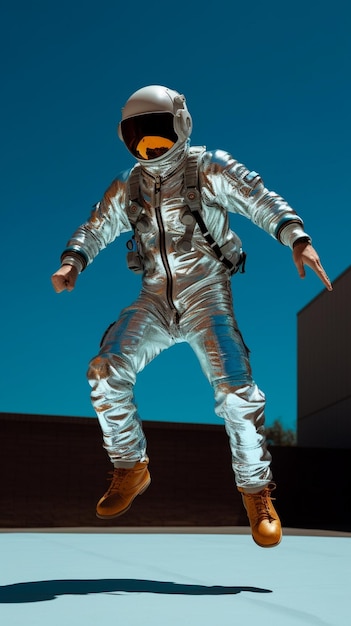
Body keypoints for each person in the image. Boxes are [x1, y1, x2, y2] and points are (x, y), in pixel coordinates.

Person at [51, 85, 332, 548]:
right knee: (104, 369)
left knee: (237, 393)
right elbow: (96, 224)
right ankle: (130, 466)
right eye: (138, 136)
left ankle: (257, 494)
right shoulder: (129, 185)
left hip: (206, 295)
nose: (149, 146)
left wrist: (295, 236)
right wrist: (73, 259)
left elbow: (257, 196)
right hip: (155, 297)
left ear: (181, 125)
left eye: (156, 133)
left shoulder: (208, 168)